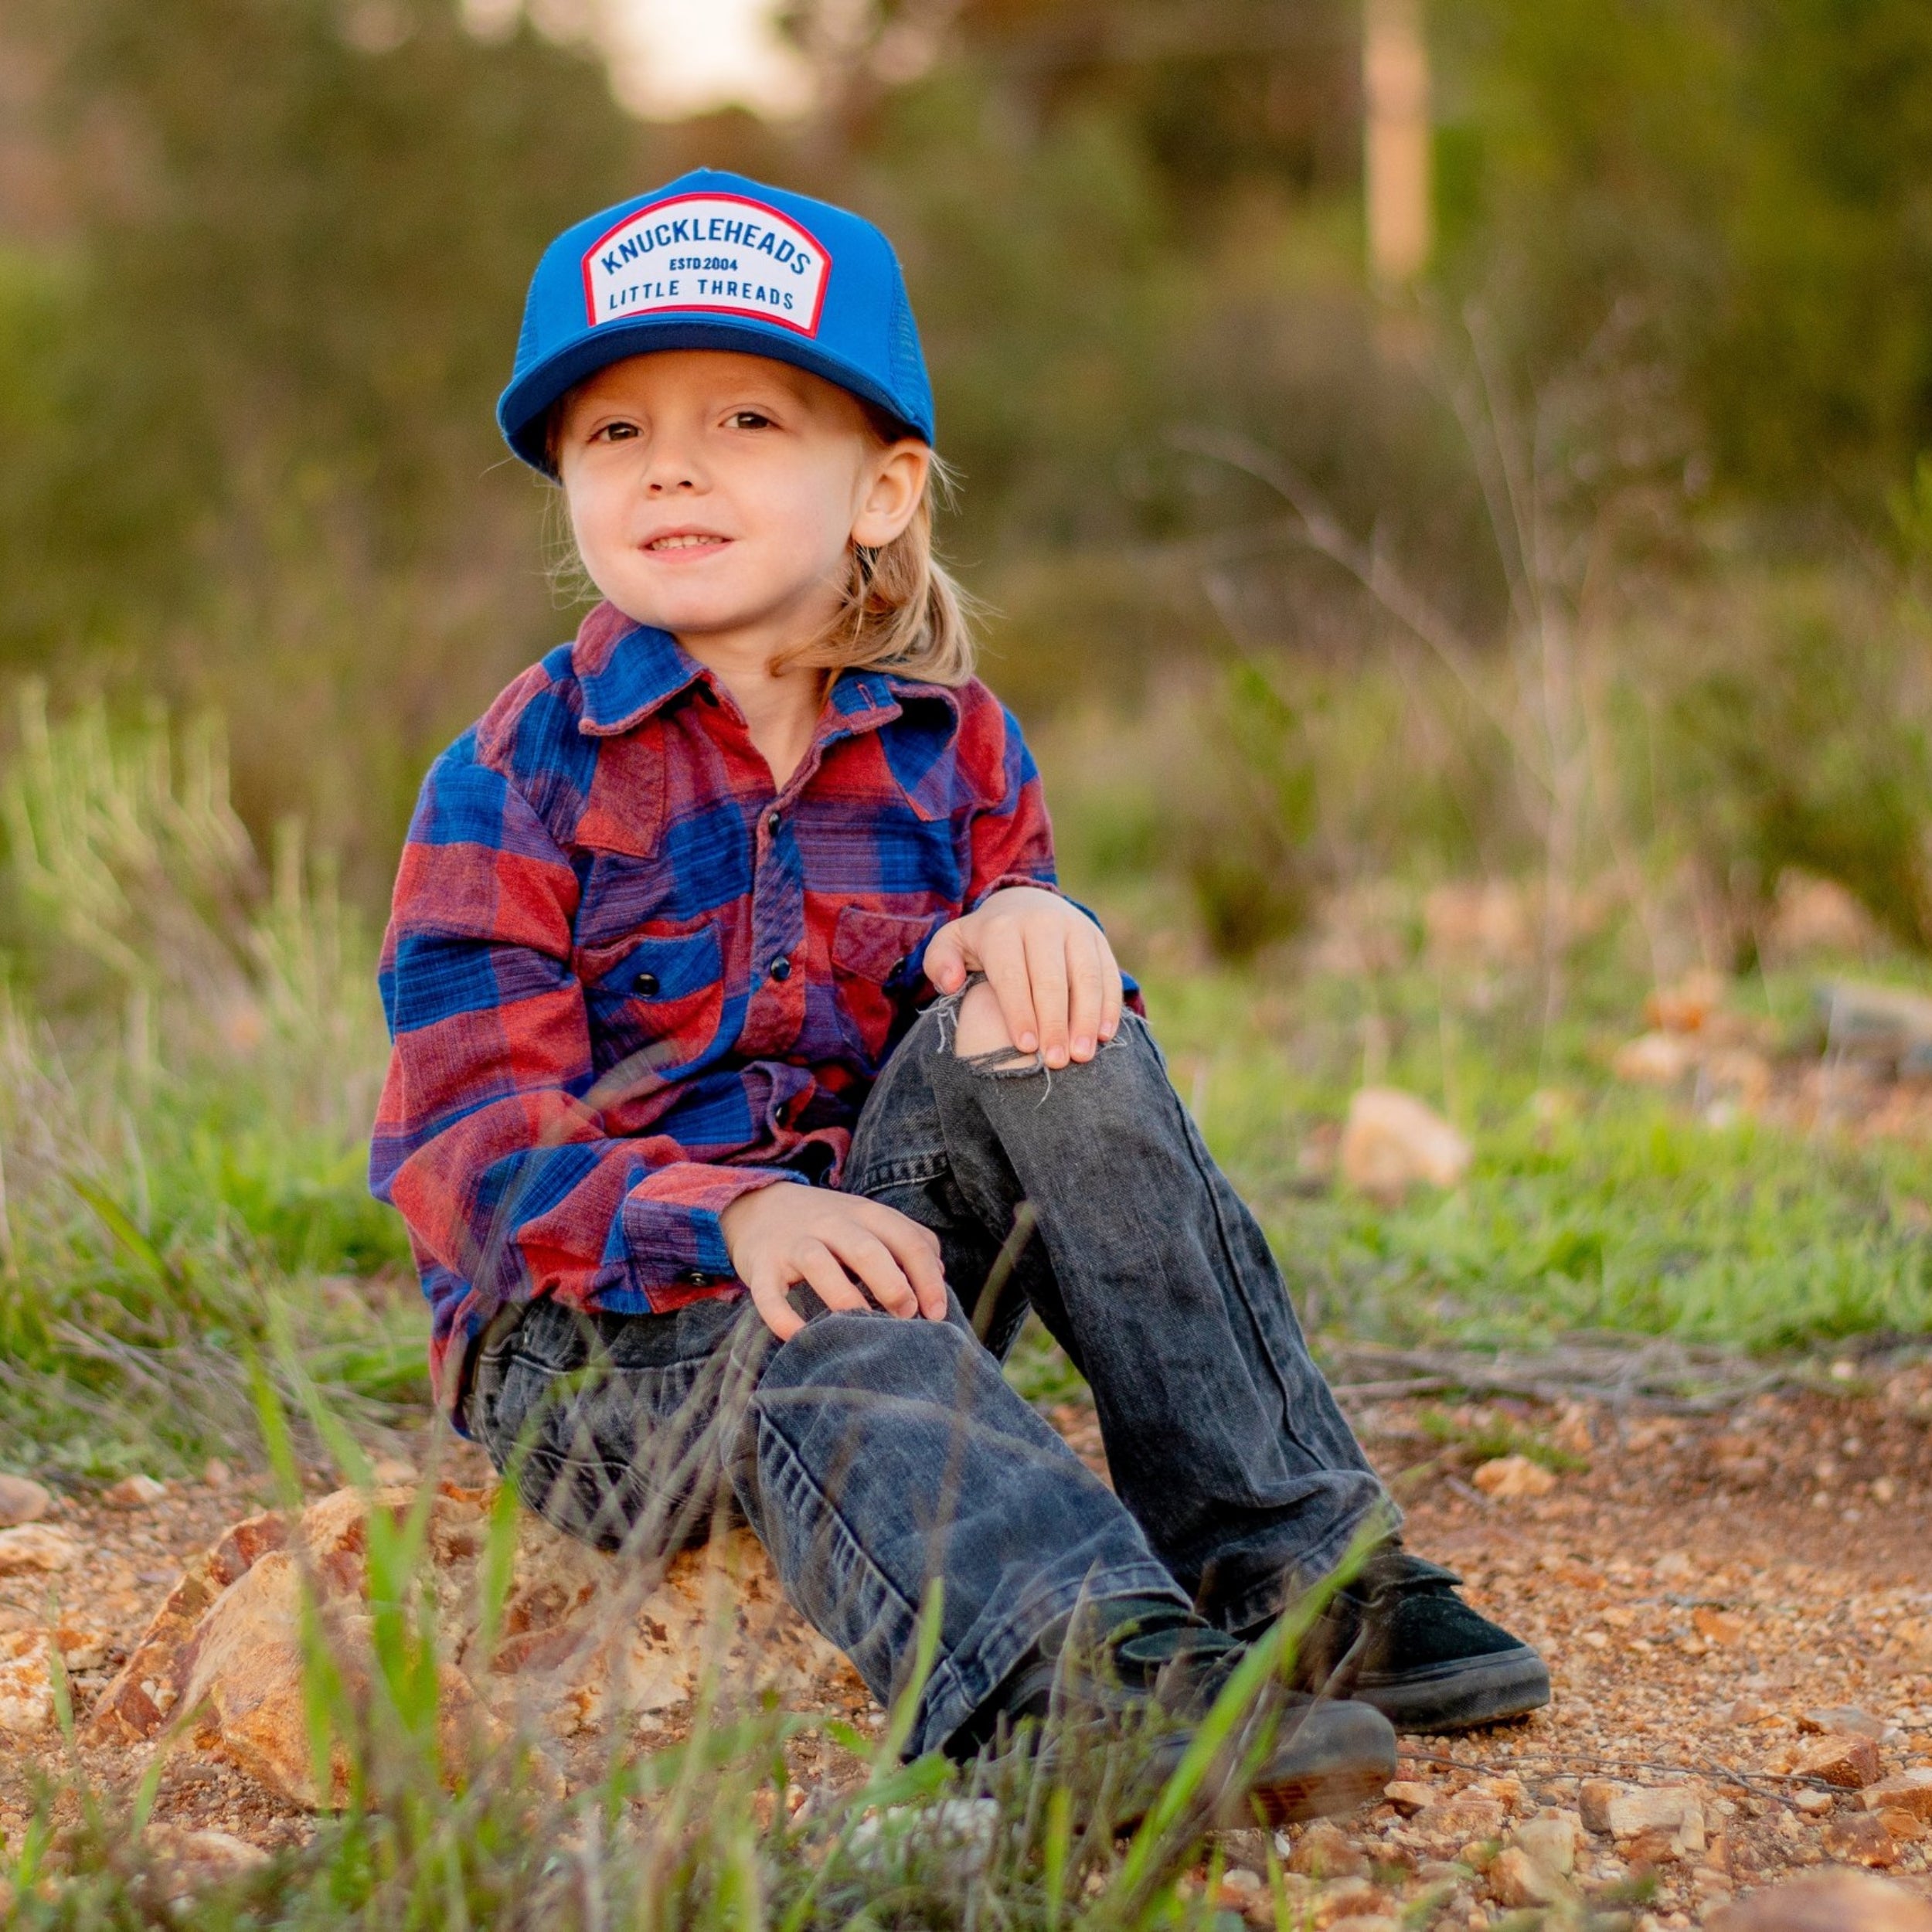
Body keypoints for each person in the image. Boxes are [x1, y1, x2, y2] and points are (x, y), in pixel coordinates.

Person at [370, 168, 1548, 1821]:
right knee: (826, 1314)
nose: (674, 463)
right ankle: (1074, 1676)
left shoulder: (957, 745)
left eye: (747, 417)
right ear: (565, 476)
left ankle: (1286, 1567)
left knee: (1045, 1025)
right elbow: (467, 1154)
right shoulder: (513, 775)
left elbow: (1023, 1074)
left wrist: (1020, 920)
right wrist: (726, 1217)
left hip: (881, 1256)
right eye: (614, 432)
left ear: (882, 486)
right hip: (604, 1352)